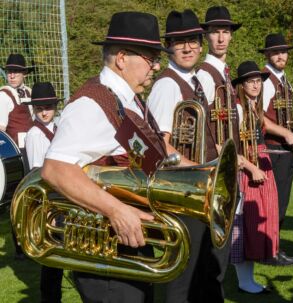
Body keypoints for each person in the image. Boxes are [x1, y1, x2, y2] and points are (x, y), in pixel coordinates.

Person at [41, 11, 171, 303]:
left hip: (126, 240)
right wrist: (117, 211)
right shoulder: (91, 104)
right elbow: (56, 169)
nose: (157, 66)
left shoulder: (125, 100)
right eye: (151, 58)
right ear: (122, 58)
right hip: (107, 249)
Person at [148, 9, 213, 303]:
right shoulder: (167, 85)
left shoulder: (195, 80)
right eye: (179, 41)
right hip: (183, 190)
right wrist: (201, 172)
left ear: (201, 44)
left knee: (204, 272)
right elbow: (161, 146)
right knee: (182, 280)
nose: (187, 47)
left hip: (197, 190)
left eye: (192, 41)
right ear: (169, 47)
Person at [193, 6, 242, 302]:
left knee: (217, 252)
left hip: (228, 171)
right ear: (207, 36)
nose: (221, 38)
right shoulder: (206, 75)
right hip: (214, 173)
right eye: (215, 32)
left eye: (225, 32)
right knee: (212, 253)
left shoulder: (223, 74)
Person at [231, 60, 278, 294]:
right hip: (247, 171)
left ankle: (247, 279)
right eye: (250, 81)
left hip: (260, 163)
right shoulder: (239, 108)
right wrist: (252, 168)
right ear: (241, 85)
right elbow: (232, 148)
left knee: (256, 221)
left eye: (258, 80)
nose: (255, 85)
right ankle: (243, 281)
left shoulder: (254, 107)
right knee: (244, 224)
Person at [259, 33, 293, 265]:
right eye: (275, 52)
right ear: (267, 54)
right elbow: (259, 119)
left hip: (285, 151)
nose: (280, 55)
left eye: (283, 51)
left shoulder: (283, 80)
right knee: (275, 204)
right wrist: (285, 133)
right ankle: (270, 252)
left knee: (282, 203)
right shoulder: (265, 80)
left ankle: (275, 248)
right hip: (274, 151)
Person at [25, 82, 63, 303]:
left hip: (60, 197)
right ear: (34, 110)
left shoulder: (56, 128)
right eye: (39, 109)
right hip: (48, 199)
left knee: (60, 253)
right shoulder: (35, 134)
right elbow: (39, 174)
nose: (45, 112)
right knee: (51, 258)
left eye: (48, 107)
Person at [0, 53, 34, 260]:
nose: (11, 75)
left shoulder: (29, 92)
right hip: (17, 153)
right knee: (18, 198)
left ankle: (34, 239)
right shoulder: (4, 95)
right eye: (9, 71)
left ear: (24, 74)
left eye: (16, 71)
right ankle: (20, 246)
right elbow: (1, 129)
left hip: (32, 149)